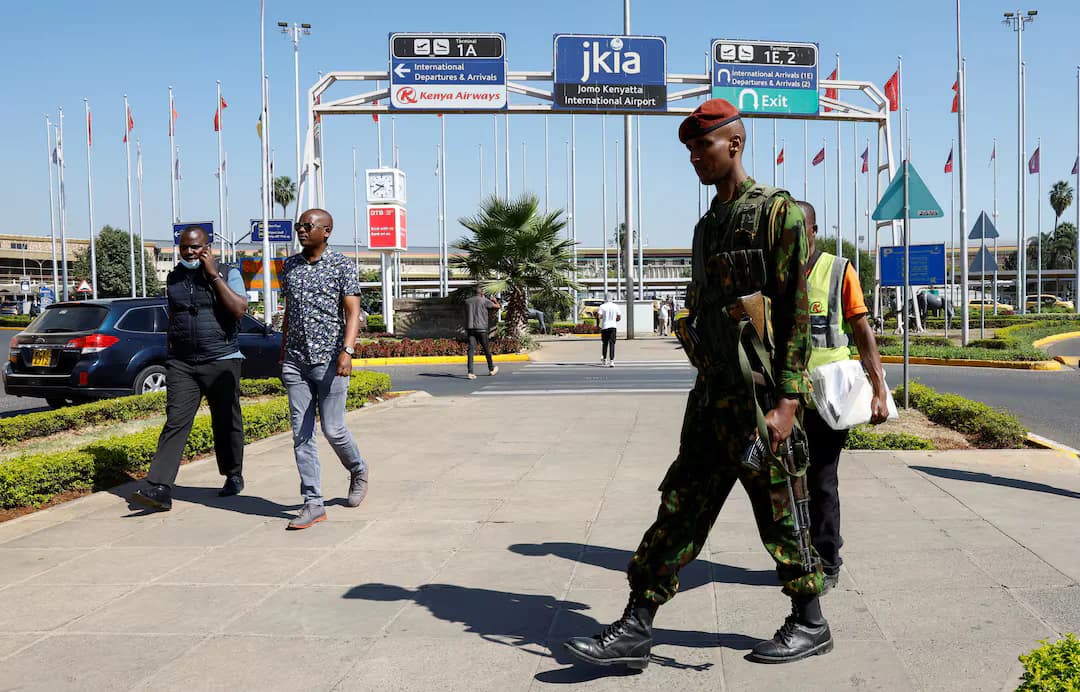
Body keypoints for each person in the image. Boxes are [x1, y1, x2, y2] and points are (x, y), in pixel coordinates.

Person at [564, 98, 830, 669]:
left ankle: (810, 620)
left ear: (734, 143)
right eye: (687, 149)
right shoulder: (707, 225)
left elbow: (796, 313)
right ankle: (637, 622)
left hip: (762, 403)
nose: (694, 158)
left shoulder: (776, 214)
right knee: (679, 507)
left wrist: (787, 400)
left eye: (701, 147)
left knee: (781, 510)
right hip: (712, 399)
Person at [796, 201, 890, 592]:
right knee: (789, 487)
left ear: (815, 230)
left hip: (829, 396)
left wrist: (879, 388)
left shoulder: (837, 270)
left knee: (820, 481)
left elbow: (862, 330)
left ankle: (827, 560)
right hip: (786, 395)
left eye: (800, 231)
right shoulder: (775, 271)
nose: (793, 239)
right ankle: (801, 557)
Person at [131, 226, 249, 511]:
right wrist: (172, 351)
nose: (189, 252)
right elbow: (175, 315)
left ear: (207, 247)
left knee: (226, 421)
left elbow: (238, 309)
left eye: (195, 247)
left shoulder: (229, 272)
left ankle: (233, 474)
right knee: (176, 421)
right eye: (184, 247)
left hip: (222, 359)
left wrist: (212, 275)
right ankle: (159, 486)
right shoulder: (175, 277)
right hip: (183, 363)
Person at [280, 209, 369, 530]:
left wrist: (347, 351)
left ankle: (358, 469)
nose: (301, 231)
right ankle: (313, 502)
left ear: (326, 231)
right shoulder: (289, 266)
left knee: (333, 430)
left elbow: (353, 311)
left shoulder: (342, 265)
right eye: (299, 226)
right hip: (295, 361)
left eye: (308, 226)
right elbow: (290, 310)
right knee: (301, 435)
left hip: (331, 360)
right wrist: (283, 352)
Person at [464, 286, 500, 380]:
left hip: (471, 328)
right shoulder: (484, 300)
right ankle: (491, 369)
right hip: (482, 329)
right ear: (481, 293)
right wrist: (495, 300)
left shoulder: (467, 301)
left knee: (471, 350)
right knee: (486, 350)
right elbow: (497, 307)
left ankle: (470, 372)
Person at [597, 295, 620, 367]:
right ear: (612, 299)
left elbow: (599, 316)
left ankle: (604, 359)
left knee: (605, 343)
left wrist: (599, 324)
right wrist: (613, 320)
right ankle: (612, 361)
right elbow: (619, 317)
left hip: (605, 327)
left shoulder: (602, 306)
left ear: (605, 299)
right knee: (612, 344)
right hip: (613, 326)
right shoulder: (616, 306)